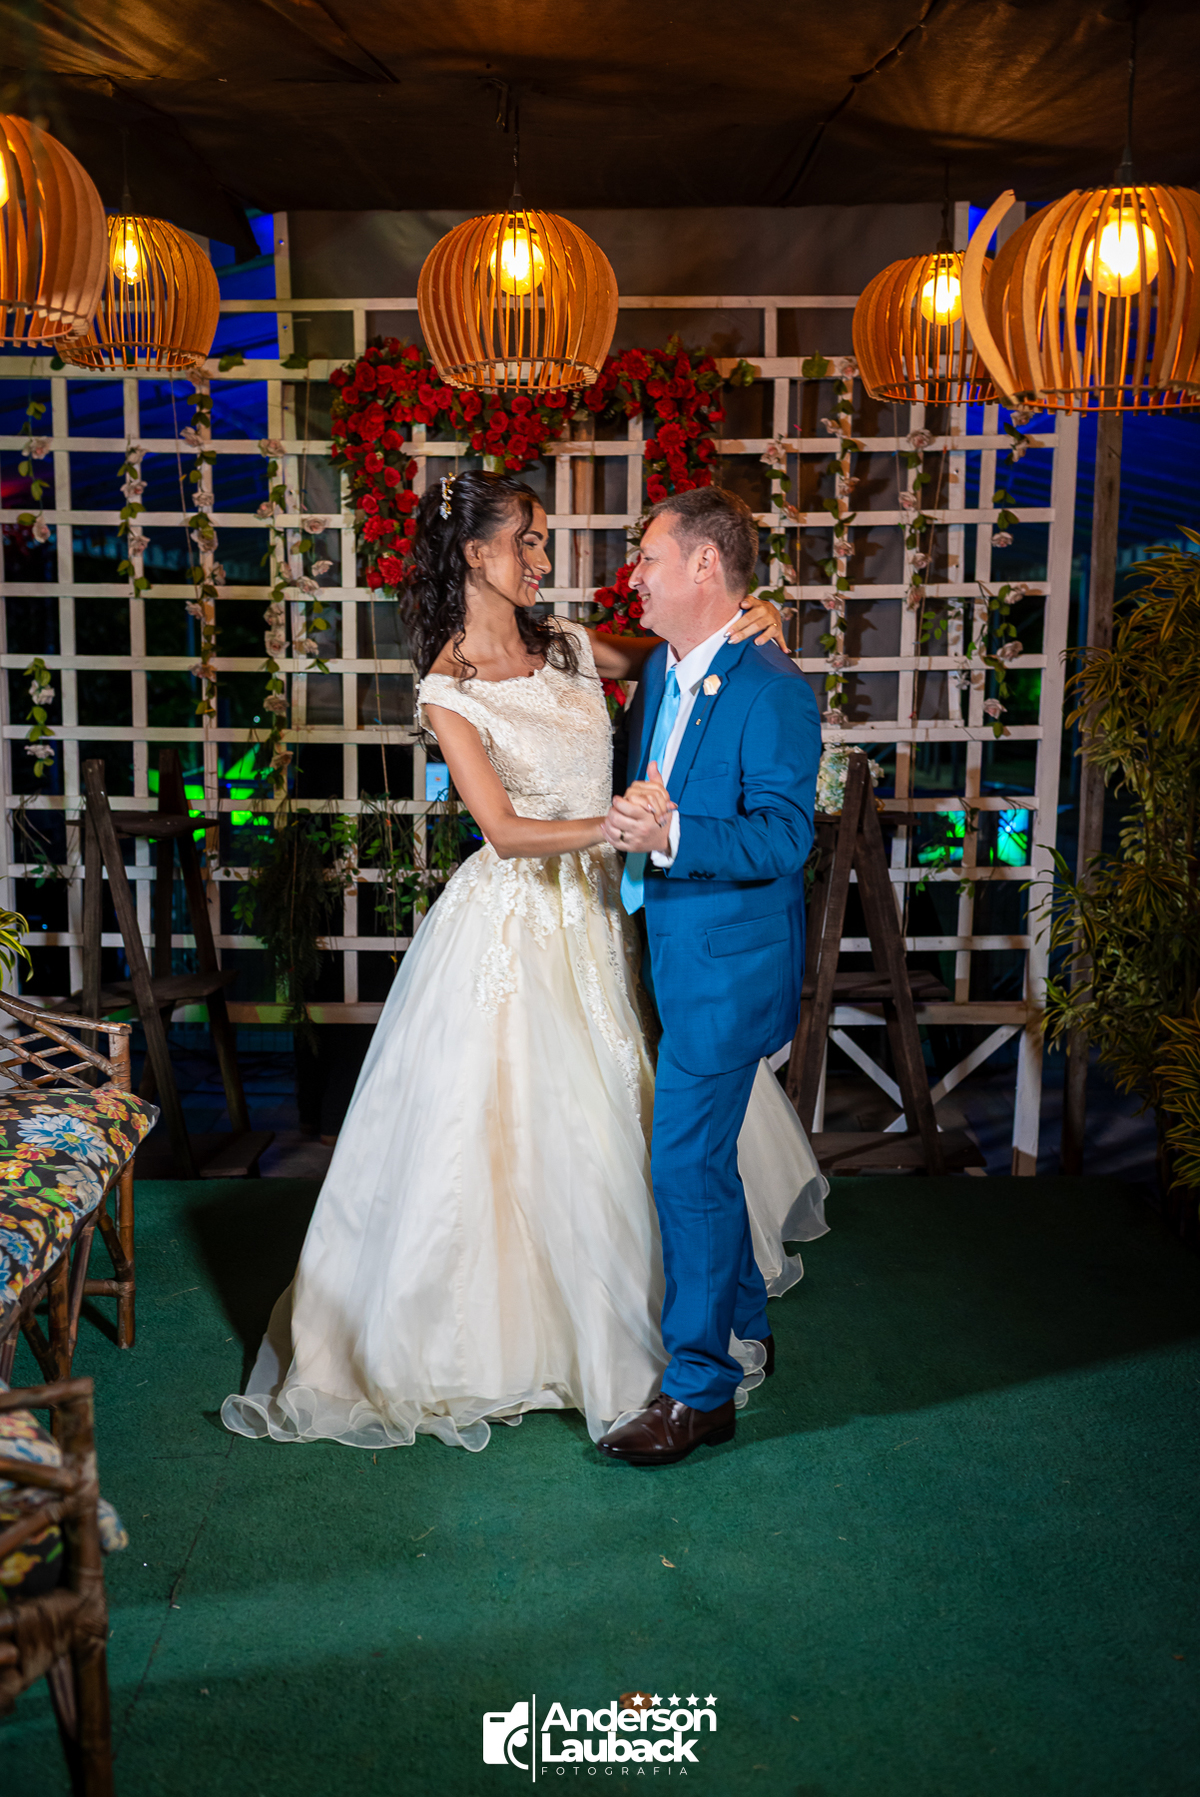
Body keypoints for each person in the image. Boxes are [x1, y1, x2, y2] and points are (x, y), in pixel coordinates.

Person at [222, 470, 827, 1454]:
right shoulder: (447, 687)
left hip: (619, 913)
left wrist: (758, 614)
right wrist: (620, 828)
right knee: (529, 1130)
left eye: (543, 542)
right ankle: (538, 1337)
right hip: (522, 917)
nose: (546, 561)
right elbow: (502, 830)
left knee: (654, 1127)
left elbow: (690, 651)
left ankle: (709, 1332)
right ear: (476, 555)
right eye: (530, 542)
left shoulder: (573, 643)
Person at [596, 486, 822, 1466]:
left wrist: (673, 833)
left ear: (704, 564)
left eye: (648, 556)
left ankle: (699, 1389)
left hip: (730, 971)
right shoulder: (662, 670)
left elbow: (783, 836)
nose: (634, 575)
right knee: (709, 1160)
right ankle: (745, 1328)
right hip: (667, 953)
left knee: (684, 1162)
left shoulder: (773, 688)